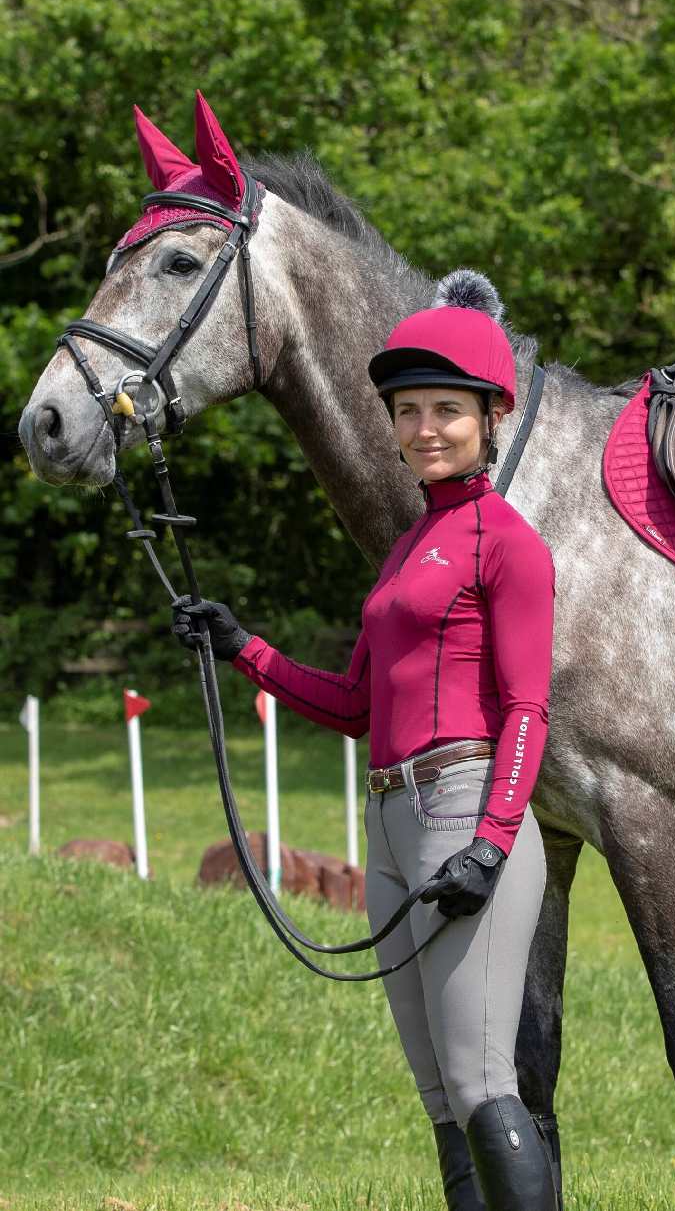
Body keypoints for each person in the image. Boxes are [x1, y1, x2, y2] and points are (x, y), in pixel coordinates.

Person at [171, 271, 559, 1211]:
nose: (425, 428)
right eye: (408, 410)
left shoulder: (507, 542)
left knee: (479, 1082)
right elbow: (355, 705)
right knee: (438, 1095)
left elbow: (528, 708)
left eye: (448, 410)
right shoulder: (407, 546)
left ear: (492, 416)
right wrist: (245, 649)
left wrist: (492, 841)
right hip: (390, 819)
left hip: (465, 814)